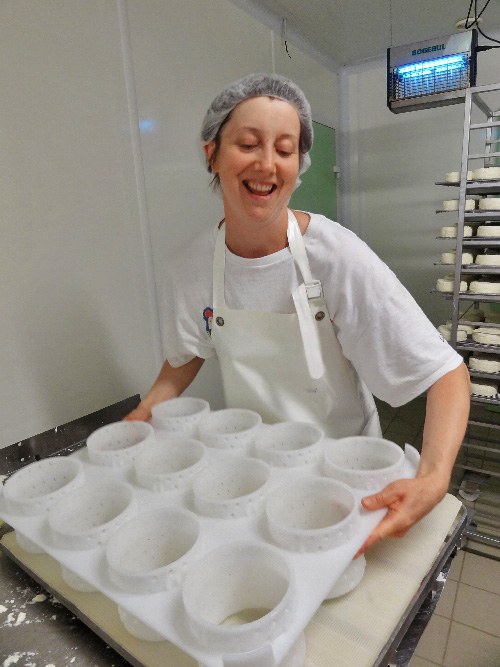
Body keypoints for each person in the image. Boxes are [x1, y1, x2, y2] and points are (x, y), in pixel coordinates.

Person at [125, 73, 470, 556]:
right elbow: (187, 353)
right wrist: (148, 409)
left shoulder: (337, 257)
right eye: (248, 144)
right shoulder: (189, 268)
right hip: (253, 475)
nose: (267, 164)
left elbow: (445, 373)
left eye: (284, 150)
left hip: (344, 478)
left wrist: (433, 478)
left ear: (299, 164)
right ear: (212, 153)